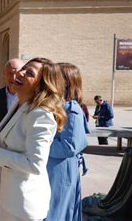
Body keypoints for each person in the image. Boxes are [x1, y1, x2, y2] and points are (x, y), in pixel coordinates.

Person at [0, 57, 67, 220]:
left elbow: (35, 164)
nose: (20, 74)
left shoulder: (40, 114)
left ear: (41, 85)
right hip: (11, 198)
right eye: (23, 69)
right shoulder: (21, 104)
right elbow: (14, 140)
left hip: (24, 205)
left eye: (29, 73)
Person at [46, 62, 89, 221]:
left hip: (61, 171)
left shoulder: (72, 109)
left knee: (58, 212)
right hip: (53, 168)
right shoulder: (58, 106)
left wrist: (37, 144)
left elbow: (69, 146)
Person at [0, 58, 23, 221]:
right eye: (10, 72)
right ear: (4, 75)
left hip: (21, 157)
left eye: (17, 72)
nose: (13, 76)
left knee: (17, 200)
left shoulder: (29, 98)